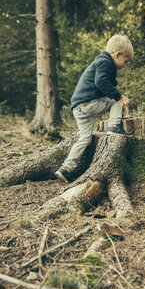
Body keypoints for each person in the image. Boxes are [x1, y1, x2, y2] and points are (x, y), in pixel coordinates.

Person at [55, 34, 134, 183]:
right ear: (117, 54)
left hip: (79, 108)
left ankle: (66, 169)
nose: (124, 65)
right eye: (125, 61)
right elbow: (101, 82)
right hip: (87, 104)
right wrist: (119, 97)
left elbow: (105, 83)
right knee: (115, 100)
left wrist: (119, 113)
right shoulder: (105, 62)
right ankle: (115, 126)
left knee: (85, 139)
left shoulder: (101, 62)